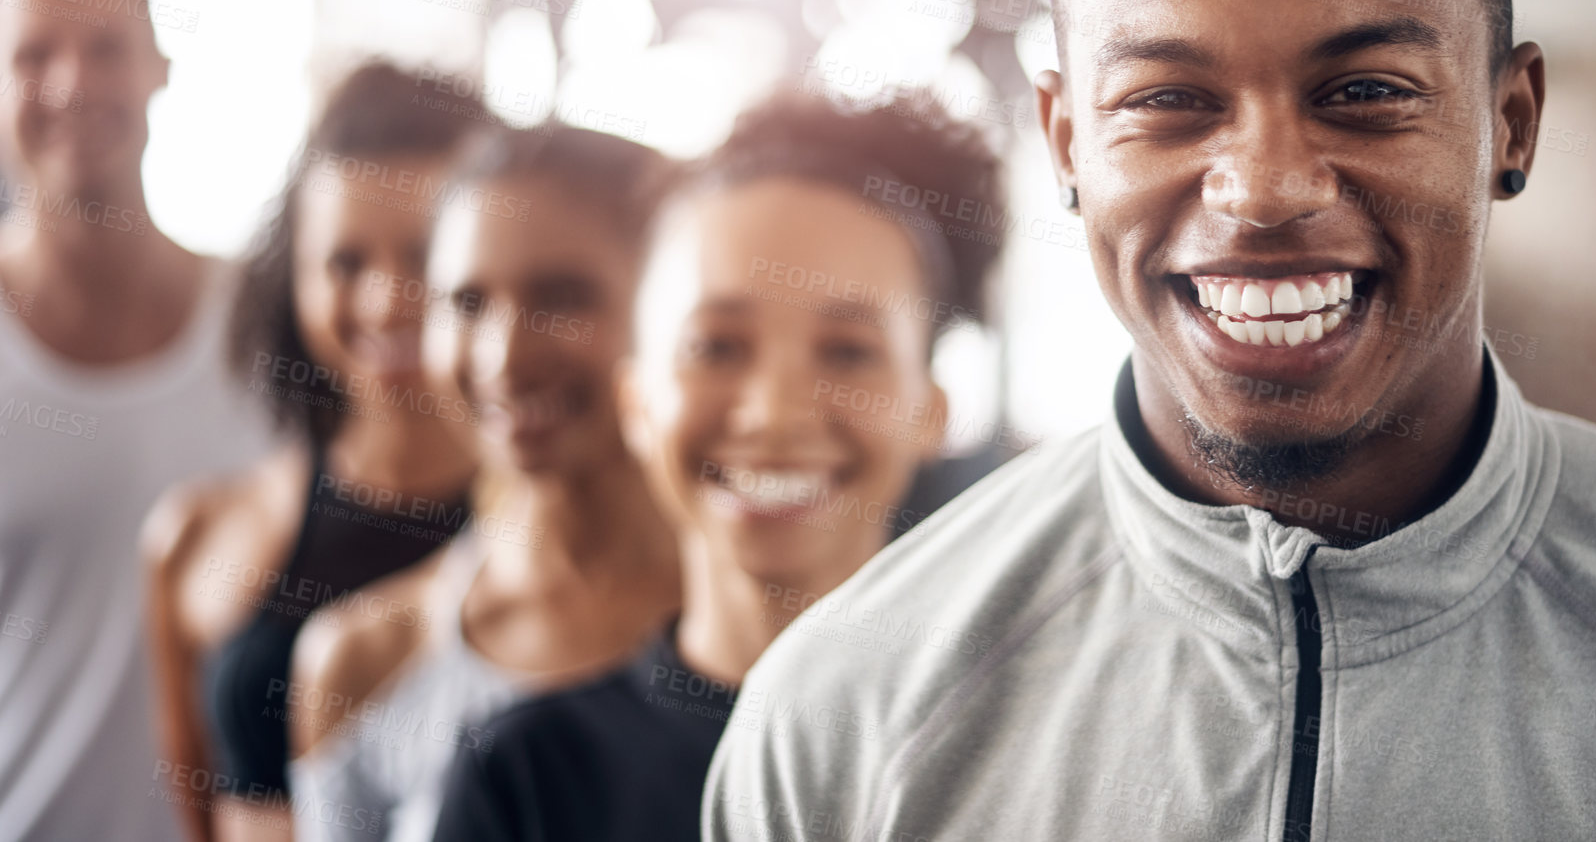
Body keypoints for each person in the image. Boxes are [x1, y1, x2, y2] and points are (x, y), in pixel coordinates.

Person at [704, 0, 1596, 842]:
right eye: (1169, 99)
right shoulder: (844, 711)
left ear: (1509, 122)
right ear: (1066, 141)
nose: (1265, 188)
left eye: (1364, 93)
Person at [426, 93, 1008, 842]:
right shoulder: (529, 777)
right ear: (636, 401)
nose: (774, 412)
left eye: (847, 352)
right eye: (717, 347)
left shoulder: (1024, 750)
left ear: (930, 412)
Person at [285, 122, 683, 842]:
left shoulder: (774, 630)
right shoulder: (363, 659)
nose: (505, 355)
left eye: (563, 297)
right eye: (467, 304)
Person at [141, 62, 483, 840]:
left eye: (425, 256)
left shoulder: (559, 545)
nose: (385, 298)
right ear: (292, 275)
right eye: (346, 262)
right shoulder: (198, 537)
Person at [0, 0, 277, 842]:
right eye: (33, 54)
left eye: (106, 47)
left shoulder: (266, 334)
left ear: (160, 63)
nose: (73, 83)